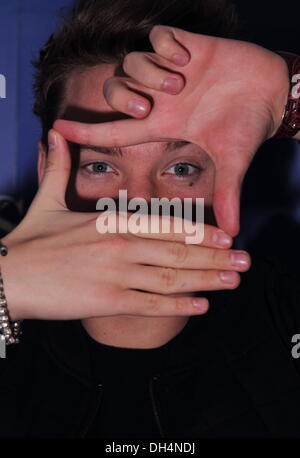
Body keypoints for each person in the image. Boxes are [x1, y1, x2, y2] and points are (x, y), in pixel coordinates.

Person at [0, 0, 299, 438]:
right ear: (47, 171)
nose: (139, 205)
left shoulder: (286, 310)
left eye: (181, 169)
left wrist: (289, 97)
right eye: (100, 167)